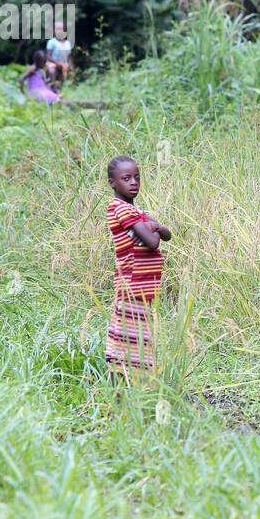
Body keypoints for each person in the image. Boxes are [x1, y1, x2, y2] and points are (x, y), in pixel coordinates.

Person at [105, 155, 172, 378]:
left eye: (137, 177)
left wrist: (154, 226)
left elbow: (167, 234)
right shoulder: (122, 210)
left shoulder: (134, 210)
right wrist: (155, 227)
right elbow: (153, 242)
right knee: (131, 340)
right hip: (133, 284)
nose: (133, 182)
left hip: (140, 285)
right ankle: (127, 388)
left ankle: (128, 386)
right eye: (126, 178)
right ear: (112, 183)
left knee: (132, 338)